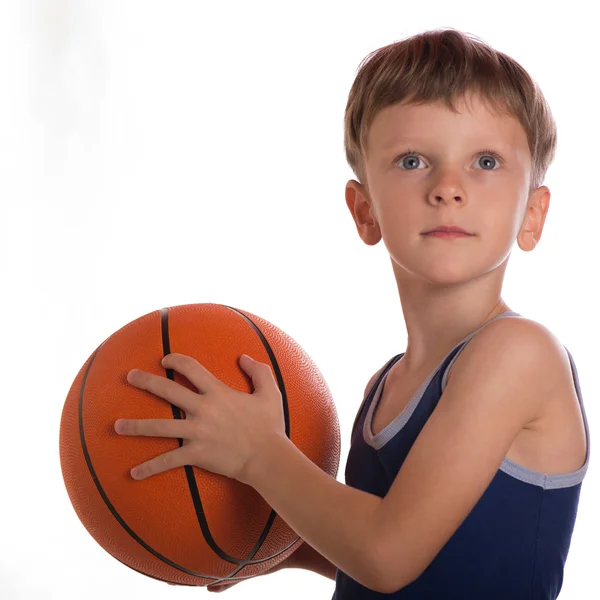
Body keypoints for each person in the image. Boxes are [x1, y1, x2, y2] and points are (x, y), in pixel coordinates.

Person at [211, 27, 591, 598]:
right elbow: (418, 562)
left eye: (485, 161)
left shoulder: (519, 355)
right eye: (412, 160)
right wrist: (283, 548)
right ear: (364, 211)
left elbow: (388, 555)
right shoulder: (384, 385)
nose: (447, 188)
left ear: (533, 215)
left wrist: (259, 452)